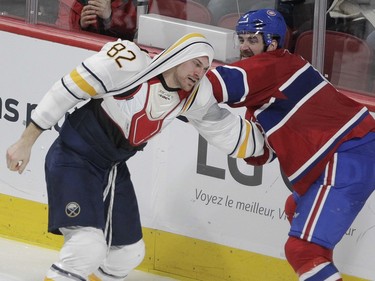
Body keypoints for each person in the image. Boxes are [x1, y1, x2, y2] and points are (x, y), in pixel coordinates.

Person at [6, 33, 264, 281]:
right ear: (177, 56)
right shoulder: (131, 65)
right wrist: (25, 141)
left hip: (111, 168)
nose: (199, 73)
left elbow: (226, 131)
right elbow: (67, 89)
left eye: (205, 69)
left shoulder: (194, 97)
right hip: (74, 158)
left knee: (128, 253)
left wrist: (270, 143)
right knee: (87, 248)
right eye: (196, 63)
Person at [206, 9, 375, 281]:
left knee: (303, 250)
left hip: (347, 155)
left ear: (272, 43)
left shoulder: (272, 66)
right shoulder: (268, 83)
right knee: (294, 210)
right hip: (350, 154)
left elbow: (214, 85)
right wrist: (228, 137)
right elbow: (260, 154)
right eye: (241, 39)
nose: (244, 47)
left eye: (252, 39)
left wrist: (174, 85)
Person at [55, 0, 154, 40]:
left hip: (115, 60)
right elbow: (60, 35)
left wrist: (111, 17)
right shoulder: (70, 1)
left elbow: (139, 36)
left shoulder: (135, 2)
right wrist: (81, 25)